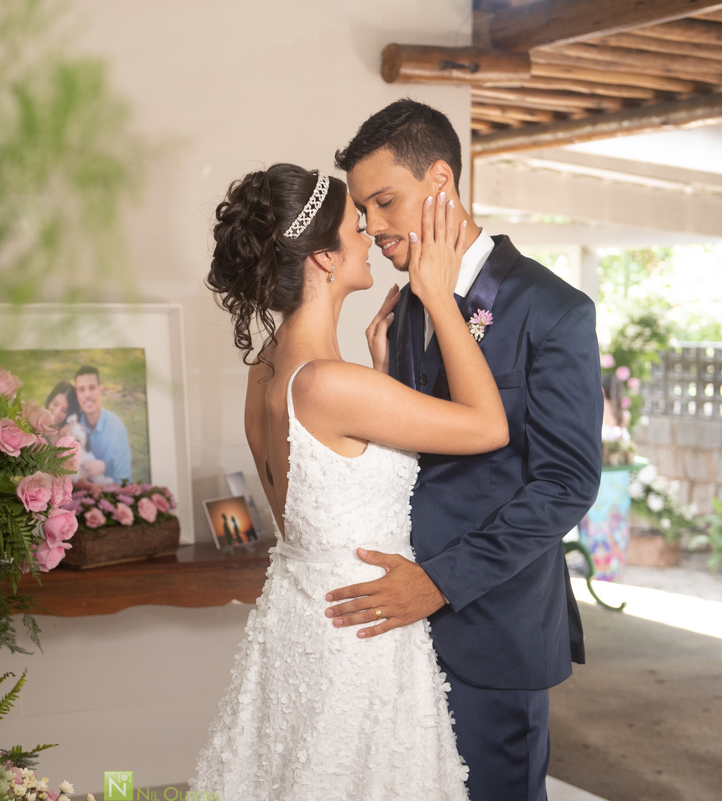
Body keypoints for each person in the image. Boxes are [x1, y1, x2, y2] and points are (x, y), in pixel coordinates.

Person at [188, 161, 509, 800]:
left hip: (301, 626)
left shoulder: (266, 373)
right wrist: (440, 298)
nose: (368, 235)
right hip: (359, 636)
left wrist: (382, 373)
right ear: (324, 260)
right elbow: (487, 426)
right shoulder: (333, 386)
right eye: (352, 227)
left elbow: (320, 486)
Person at [324, 100, 603, 801]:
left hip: (493, 624)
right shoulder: (411, 302)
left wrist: (440, 580)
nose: (375, 227)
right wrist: (386, 375)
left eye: (386, 201)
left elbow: (567, 481)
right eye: (364, 213)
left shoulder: (555, 308)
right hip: (399, 620)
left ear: (440, 179)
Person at [43, 381, 113, 487]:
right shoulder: (36, 431)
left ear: (69, 413)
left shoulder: (71, 432)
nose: (56, 412)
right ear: (50, 400)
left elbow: (84, 459)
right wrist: (90, 486)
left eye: (64, 410)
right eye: (55, 404)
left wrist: (102, 465)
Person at [74, 365, 133, 483]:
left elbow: (124, 479)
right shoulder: (73, 426)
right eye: (81, 389)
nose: (87, 395)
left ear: (100, 390)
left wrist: (105, 468)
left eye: (92, 388)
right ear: (76, 394)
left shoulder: (116, 427)